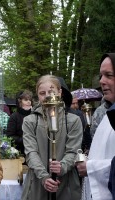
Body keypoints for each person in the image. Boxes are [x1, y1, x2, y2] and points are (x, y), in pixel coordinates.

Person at [22, 75, 82, 200]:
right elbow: (31, 152)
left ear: (59, 92)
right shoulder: (30, 121)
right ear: (37, 96)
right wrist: (44, 177)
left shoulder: (72, 120)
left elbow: (73, 150)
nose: (47, 96)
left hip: (65, 185)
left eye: (51, 91)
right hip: (37, 185)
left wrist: (62, 166)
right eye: (42, 93)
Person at [76, 53, 115, 200]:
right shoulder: (106, 113)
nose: (102, 81)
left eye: (109, 75)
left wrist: (91, 168)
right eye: (101, 76)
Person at [6, 90, 32, 156]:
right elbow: (10, 136)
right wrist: (24, 140)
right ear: (20, 102)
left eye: (29, 100)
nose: (29, 102)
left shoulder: (34, 115)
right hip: (20, 152)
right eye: (26, 100)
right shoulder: (14, 117)